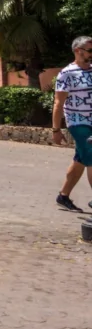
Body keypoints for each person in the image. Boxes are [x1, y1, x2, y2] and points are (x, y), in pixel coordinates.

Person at [54, 36, 92, 212]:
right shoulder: (67, 73)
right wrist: (56, 129)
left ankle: (63, 195)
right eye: (90, 51)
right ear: (78, 51)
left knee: (81, 160)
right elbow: (58, 103)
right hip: (78, 122)